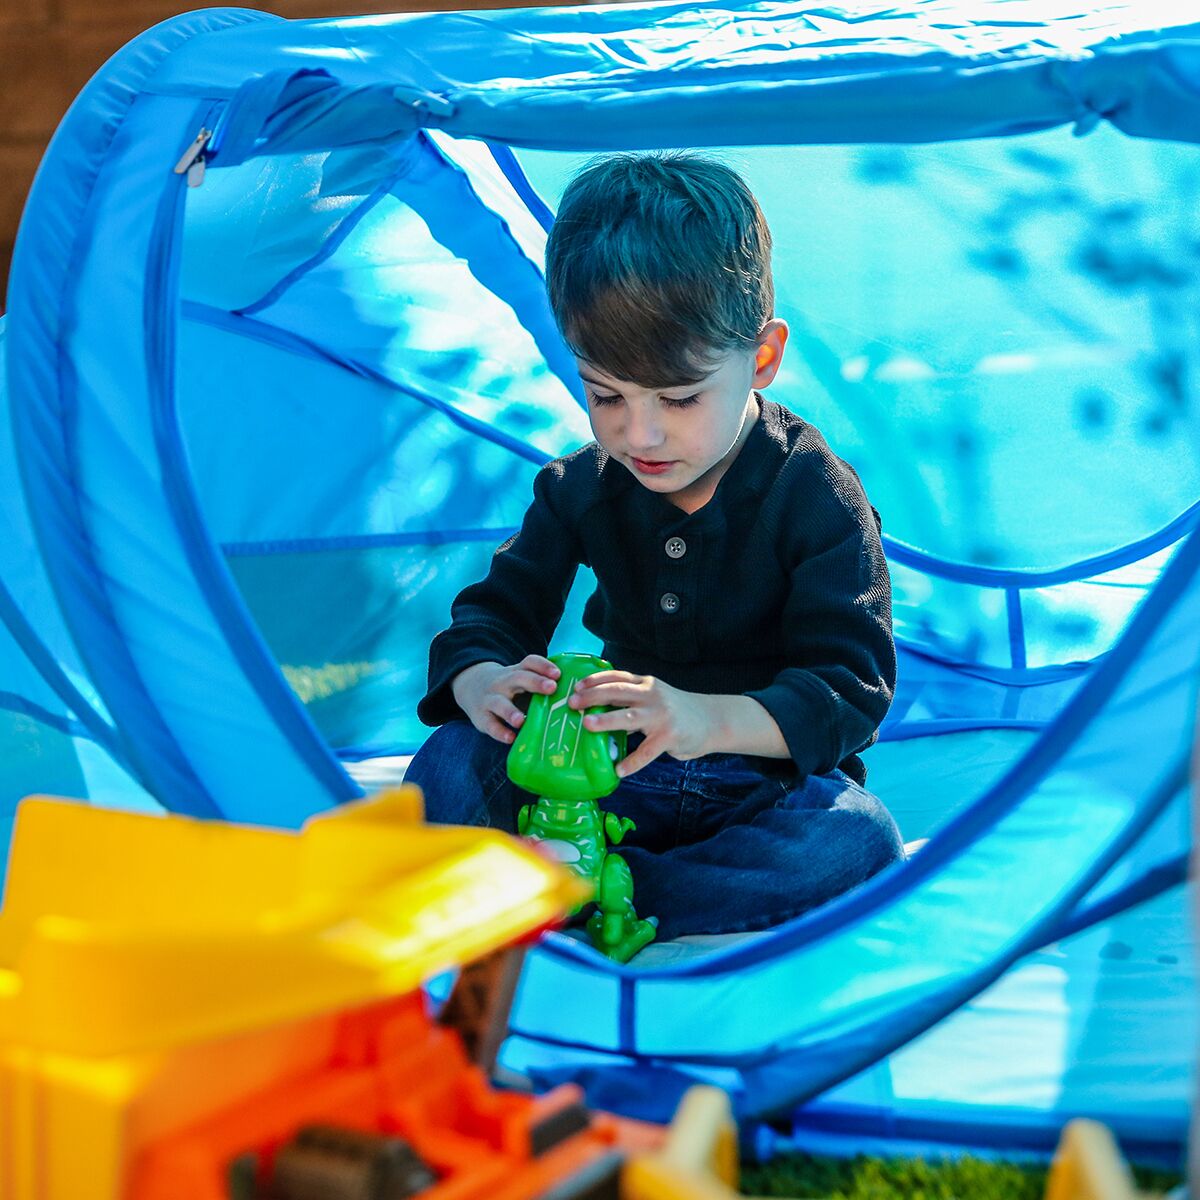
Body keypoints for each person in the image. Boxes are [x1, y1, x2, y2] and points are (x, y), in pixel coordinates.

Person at [407, 152, 905, 940]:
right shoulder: (582, 486)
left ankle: (604, 890)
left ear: (762, 359)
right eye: (605, 394)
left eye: (679, 399)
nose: (639, 434)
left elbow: (850, 691)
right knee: (447, 760)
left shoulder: (817, 496)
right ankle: (568, 867)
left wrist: (704, 719)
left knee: (858, 838)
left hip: (756, 789)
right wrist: (483, 680)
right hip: (599, 782)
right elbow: (492, 614)